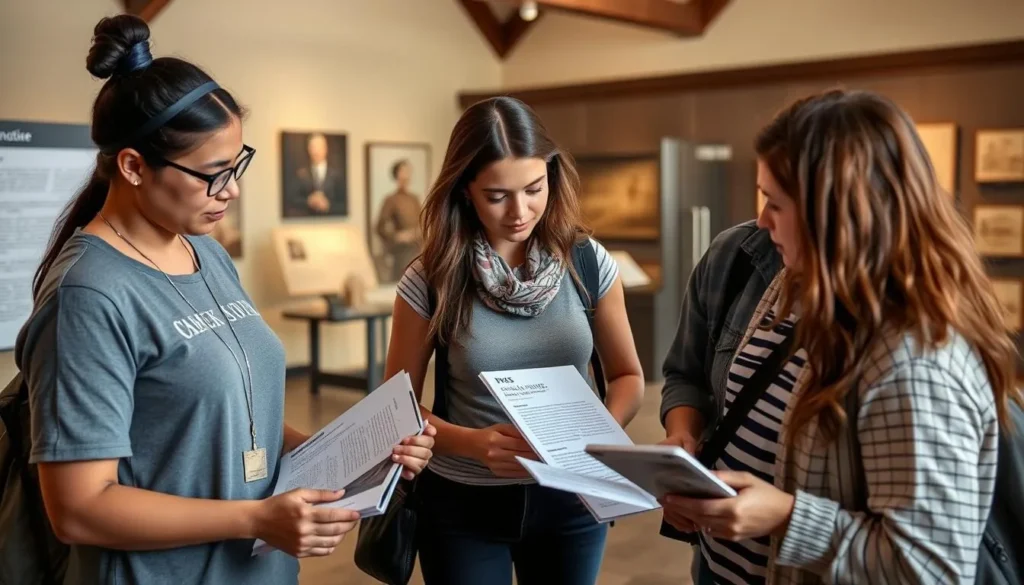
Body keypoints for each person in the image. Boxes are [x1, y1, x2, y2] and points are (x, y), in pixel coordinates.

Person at [14, 15, 434, 585]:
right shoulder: (88, 296)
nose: (232, 190)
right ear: (134, 167)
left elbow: (238, 418)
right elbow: (79, 508)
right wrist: (255, 517)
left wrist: (349, 457)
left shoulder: (203, 253)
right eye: (213, 174)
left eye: (236, 165)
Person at [658, 88, 1020, 585]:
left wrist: (786, 518)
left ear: (839, 216)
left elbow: (929, 569)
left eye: (775, 203)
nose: (761, 221)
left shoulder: (916, 364)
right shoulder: (794, 283)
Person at [383, 96, 645, 585]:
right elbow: (394, 408)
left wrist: (590, 437)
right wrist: (472, 444)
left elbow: (629, 376)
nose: (520, 211)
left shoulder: (588, 263)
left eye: (534, 188)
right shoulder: (430, 279)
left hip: (573, 496)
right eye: (498, 195)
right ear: (465, 191)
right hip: (464, 504)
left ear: (551, 175)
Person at [376, 159, 423, 282]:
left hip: (419, 249)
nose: (406, 175)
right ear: (397, 174)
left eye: (408, 171)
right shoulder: (391, 200)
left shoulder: (414, 199)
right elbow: (380, 227)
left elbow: (422, 222)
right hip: (402, 253)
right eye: (403, 171)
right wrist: (397, 236)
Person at [283, 133, 346, 217]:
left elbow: (344, 202)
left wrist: (329, 205)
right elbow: (291, 199)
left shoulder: (336, 175)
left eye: (319, 147)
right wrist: (309, 201)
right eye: (313, 147)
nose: (316, 151)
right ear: (308, 150)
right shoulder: (300, 174)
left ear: (326, 149)